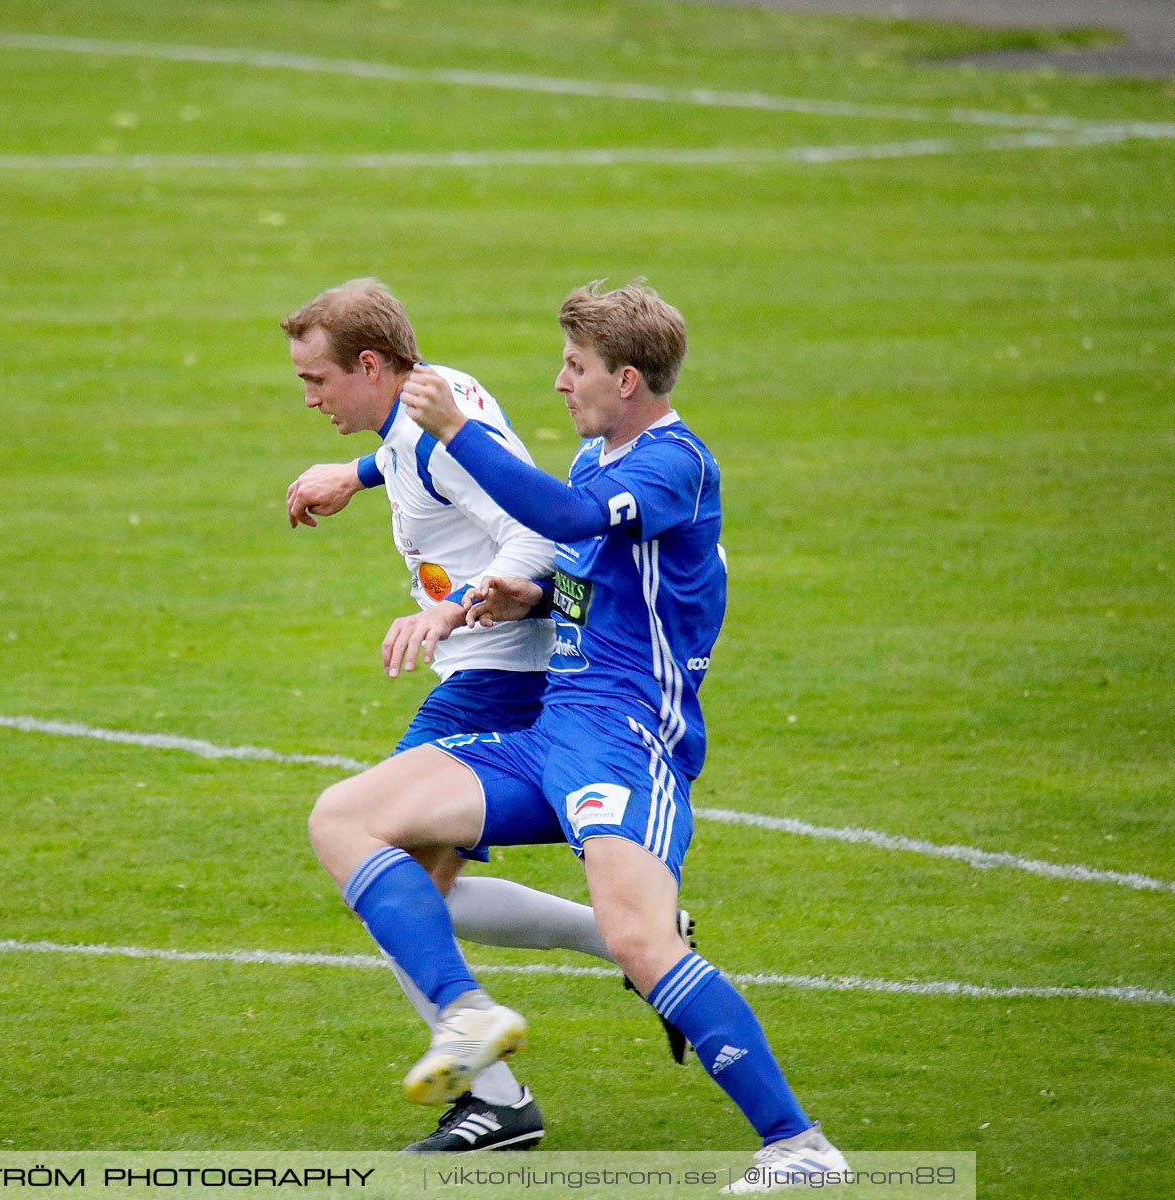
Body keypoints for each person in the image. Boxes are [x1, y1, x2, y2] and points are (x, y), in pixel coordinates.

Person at [307, 282, 848, 1192]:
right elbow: (597, 576)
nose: (559, 383)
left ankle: (800, 1149)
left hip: (627, 741)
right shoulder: (602, 452)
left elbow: (564, 520)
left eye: (576, 367)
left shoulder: (673, 464)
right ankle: (466, 1018)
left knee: (639, 942)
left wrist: (456, 433)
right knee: (346, 818)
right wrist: (527, 593)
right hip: (555, 725)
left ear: (627, 379)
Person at [283, 280, 697, 1152]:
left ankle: (497, 1092)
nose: (310, 398)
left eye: (317, 381)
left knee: (380, 872)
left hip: (496, 674)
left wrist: (452, 605)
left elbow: (535, 532)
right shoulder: (433, 403)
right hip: (497, 669)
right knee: (409, 890)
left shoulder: (437, 440)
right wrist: (356, 474)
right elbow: (427, 457)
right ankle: (627, 945)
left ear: (370, 365)